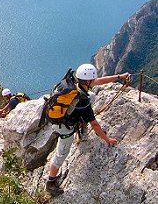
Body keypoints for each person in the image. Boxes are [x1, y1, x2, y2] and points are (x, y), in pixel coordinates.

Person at [46, 63, 130, 196]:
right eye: (93, 79)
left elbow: (100, 81)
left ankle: (81, 123)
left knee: (91, 95)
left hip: (65, 115)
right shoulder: (83, 101)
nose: (95, 81)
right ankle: (50, 182)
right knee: (61, 154)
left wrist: (120, 76)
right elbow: (95, 125)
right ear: (88, 80)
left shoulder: (75, 83)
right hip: (64, 128)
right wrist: (107, 139)